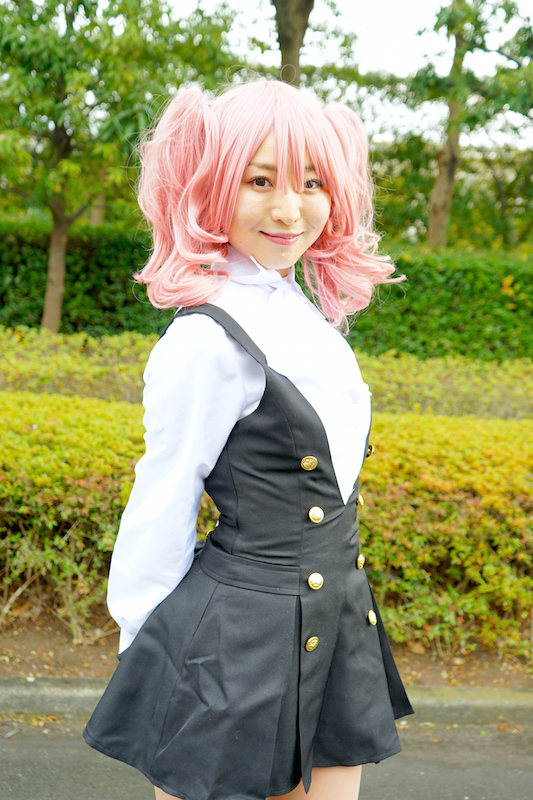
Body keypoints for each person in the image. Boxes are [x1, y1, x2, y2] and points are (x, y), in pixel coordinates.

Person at [83, 79, 413, 800]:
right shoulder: (205, 338)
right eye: (260, 181)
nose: (289, 208)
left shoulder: (303, 315)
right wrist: (146, 649)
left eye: (311, 182)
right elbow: (164, 493)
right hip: (232, 643)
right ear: (212, 184)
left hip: (337, 614)